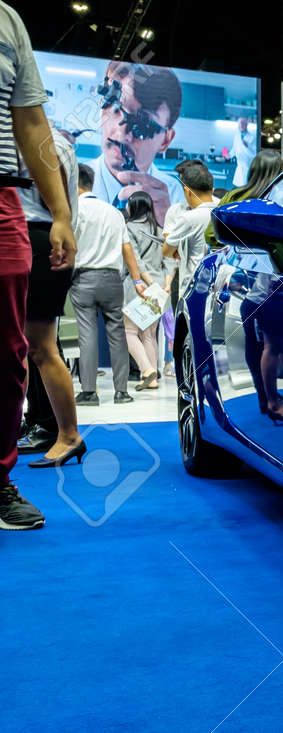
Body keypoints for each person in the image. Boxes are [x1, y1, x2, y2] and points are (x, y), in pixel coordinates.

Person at [0, 2, 80, 529]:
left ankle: (52, 441)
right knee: (39, 347)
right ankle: (63, 433)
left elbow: (31, 121)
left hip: (11, 209)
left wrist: (61, 215)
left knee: (20, 351)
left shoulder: (7, 21)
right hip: (29, 226)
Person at [16, 120, 84, 467]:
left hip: (39, 240)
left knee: (41, 347)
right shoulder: (54, 142)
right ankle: (44, 428)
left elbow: (55, 202)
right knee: (30, 347)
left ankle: (68, 434)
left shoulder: (46, 143)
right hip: (37, 239)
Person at [71, 164, 150, 406]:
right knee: (117, 335)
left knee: (87, 335)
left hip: (83, 278)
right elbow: (127, 248)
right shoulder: (114, 212)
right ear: (92, 183)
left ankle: (89, 392)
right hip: (113, 280)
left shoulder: (74, 211)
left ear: (74, 183)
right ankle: (121, 392)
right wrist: (137, 280)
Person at [91, 61, 185, 216]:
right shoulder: (68, 182)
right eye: (115, 109)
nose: (122, 133)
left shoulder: (174, 197)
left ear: (165, 140)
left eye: (144, 123)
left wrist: (167, 226)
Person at [123, 191, 164, 390]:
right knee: (149, 335)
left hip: (139, 285)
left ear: (133, 206)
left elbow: (135, 260)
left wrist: (148, 283)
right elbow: (170, 261)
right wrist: (162, 285)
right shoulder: (159, 229)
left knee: (129, 332)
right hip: (159, 286)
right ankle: (152, 377)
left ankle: (147, 370)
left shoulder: (129, 227)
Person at [205, 148, 282, 247]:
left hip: (236, 254)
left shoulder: (233, 196)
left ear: (252, 169)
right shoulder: (281, 199)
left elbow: (210, 235)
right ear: (279, 173)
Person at [162, 160, 217, 295]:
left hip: (192, 283)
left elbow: (167, 250)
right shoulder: (223, 209)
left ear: (187, 190)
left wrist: (179, 251)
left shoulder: (189, 217)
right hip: (216, 282)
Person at [230, 116, 256, 187]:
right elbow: (234, 149)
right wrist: (229, 155)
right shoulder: (237, 136)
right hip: (239, 168)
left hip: (247, 167)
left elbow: (254, 154)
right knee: (237, 186)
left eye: (243, 123)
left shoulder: (252, 137)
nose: (241, 125)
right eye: (239, 123)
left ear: (246, 124)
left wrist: (247, 146)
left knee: (245, 186)